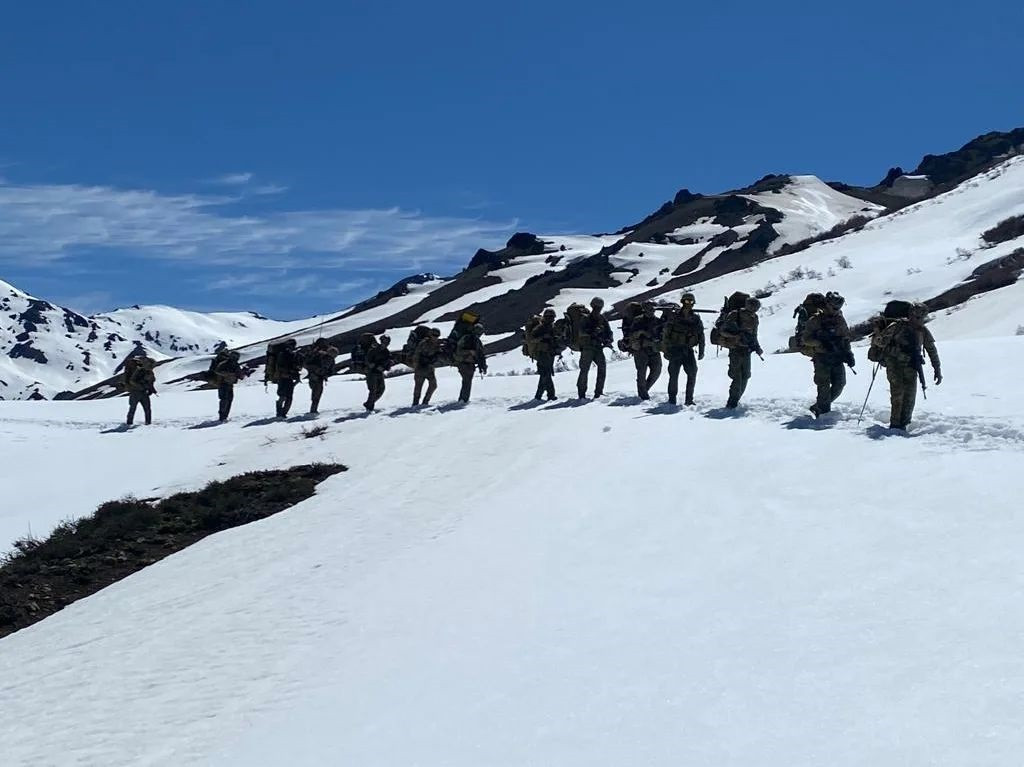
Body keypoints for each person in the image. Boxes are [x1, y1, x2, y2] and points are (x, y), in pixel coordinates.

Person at [874, 302, 942, 430]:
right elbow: (880, 342)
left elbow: (931, 350)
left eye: (921, 318)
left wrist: (937, 369)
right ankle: (895, 425)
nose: (918, 320)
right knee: (898, 394)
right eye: (916, 317)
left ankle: (903, 424)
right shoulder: (897, 326)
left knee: (910, 396)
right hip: (894, 365)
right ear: (910, 314)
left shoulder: (922, 331)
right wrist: (893, 349)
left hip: (911, 366)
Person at [800, 291, 854, 417]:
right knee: (823, 386)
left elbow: (845, 338)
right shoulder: (815, 320)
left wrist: (849, 354)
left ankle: (819, 406)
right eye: (834, 307)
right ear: (828, 305)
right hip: (822, 358)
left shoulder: (840, 319)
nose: (836, 310)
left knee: (840, 384)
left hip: (837, 357)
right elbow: (806, 339)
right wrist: (820, 343)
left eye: (838, 308)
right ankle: (823, 414)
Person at [660, 293, 706, 406]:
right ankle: (672, 399)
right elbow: (666, 334)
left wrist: (701, 350)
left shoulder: (696, 318)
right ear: (682, 302)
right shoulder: (674, 317)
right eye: (686, 301)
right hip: (675, 349)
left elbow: (701, 335)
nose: (689, 304)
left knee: (692, 373)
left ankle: (689, 400)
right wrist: (665, 350)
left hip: (688, 350)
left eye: (691, 302)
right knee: (674, 375)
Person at [718, 297, 762, 409]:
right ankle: (732, 403)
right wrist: (735, 336)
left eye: (756, 306)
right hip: (735, 349)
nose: (754, 308)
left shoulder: (754, 318)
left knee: (746, 375)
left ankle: (736, 400)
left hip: (747, 350)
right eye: (752, 305)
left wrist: (757, 347)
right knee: (737, 377)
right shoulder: (735, 315)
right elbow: (723, 331)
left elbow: (754, 335)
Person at [577, 297, 613, 399]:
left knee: (602, 368)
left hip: (597, 347)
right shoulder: (585, 318)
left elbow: (609, 332)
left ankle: (599, 392)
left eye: (599, 307)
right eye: (597, 307)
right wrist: (592, 332)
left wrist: (608, 340)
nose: (598, 309)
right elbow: (581, 332)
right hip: (587, 348)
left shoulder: (602, 319)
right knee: (584, 370)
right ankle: (582, 394)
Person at [626, 301, 663, 400]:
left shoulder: (658, 321)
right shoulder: (637, 320)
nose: (651, 310)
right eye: (649, 308)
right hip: (641, 350)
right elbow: (631, 334)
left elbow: (662, 335)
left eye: (652, 308)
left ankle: (645, 389)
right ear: (645, 309)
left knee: (657, 370)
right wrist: (641, 333)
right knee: (641, 372)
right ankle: (643, 395)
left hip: (654, 349)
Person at [528, 309, 560, 401]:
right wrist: (542, 338)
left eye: (551, 317)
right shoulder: (540, 328)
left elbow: (558, 339)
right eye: (548, 317)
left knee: (546, 375)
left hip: (550, 354)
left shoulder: (554, 328)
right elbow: (532, 339)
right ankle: (547, 395)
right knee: (545, 375)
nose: (550, 319)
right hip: (542, 354)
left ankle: (543, 396)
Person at [304, 337, 339, 415]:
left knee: (316, 393)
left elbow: (330, 370)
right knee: (317, 393)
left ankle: (313, 409)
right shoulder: (321, 355)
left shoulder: (320, 354)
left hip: (317, 377)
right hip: (316, 376)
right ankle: (313, 410)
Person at [453, 324, 487, 403]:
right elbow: (458, 351)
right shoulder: (466, 338)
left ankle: (463, 399)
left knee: (467, 381)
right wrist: (469, 352)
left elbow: (481, 354)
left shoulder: (477, 341)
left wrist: (483, 366)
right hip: (463, 363)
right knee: (467, 381)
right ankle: (463, 400)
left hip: (470, 364)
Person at [412, 328, 442, 406]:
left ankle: (425, 402)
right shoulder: (423, 343)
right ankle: (415, 403)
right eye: (434, 335)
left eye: (437, 336)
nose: (435, 337)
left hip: (430, 369)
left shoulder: (437, 344)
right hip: (421, 368)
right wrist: (416, 366)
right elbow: (416, 355)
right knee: (418, 387)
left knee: (433, 385)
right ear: (430, 335)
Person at [273, 339, 303, 418]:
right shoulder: (284, 354)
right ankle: (281, 413)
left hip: (286, 378)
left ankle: (281, 413)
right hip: (285, 377)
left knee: (286, 397)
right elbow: (280, 367)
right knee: (285, 396)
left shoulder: (289, 354)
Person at [124, 355, 156, 426]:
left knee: (139, 408)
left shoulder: (148, 372)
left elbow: (150, 382)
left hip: (140, 392)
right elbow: (132, 381)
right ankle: (131, 423)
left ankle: (131, 423)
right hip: (138, 392)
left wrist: (151, 389)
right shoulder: (140, 370)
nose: (152, 366)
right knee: (138, 408)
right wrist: (143, 387)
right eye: (151, 365)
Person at [363, 334, 393, 411]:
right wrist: (371, 365)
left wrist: (385, 367)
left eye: (387, 342)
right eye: (384, 342)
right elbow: (368, 360)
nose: (386, 344)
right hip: (372, 372)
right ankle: (370, 407)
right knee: (373, 390)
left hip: (379, 373)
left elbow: (387, 362)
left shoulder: (386, 352)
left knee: (381, 389)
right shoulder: (374, 350)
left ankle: (369, 403)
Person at [212, 349, 242, 421]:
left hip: (230, 384)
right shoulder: (224, 364)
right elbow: (217, 371)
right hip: (223, 384)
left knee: (229, 400)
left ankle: (225, 416)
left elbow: (239, 375)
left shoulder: (236, 365)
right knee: (224, 400)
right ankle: (222, 417)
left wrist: (242, 374)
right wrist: (228, 374)